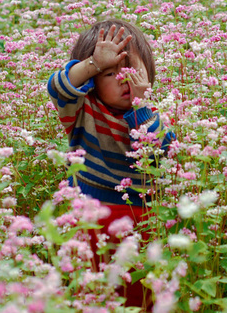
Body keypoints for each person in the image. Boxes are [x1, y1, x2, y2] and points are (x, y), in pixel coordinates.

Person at [47, 19, 174, 307]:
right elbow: (57, 87)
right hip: (90, 220)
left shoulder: (152, 117)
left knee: (140, 297)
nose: (124, 79)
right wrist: (92, 63)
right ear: (93, 81)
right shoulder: (82, 110)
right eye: (111, 72)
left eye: (132, 70)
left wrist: (141, 108)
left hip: (140, 223)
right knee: (94, 294)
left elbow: (156, 153)